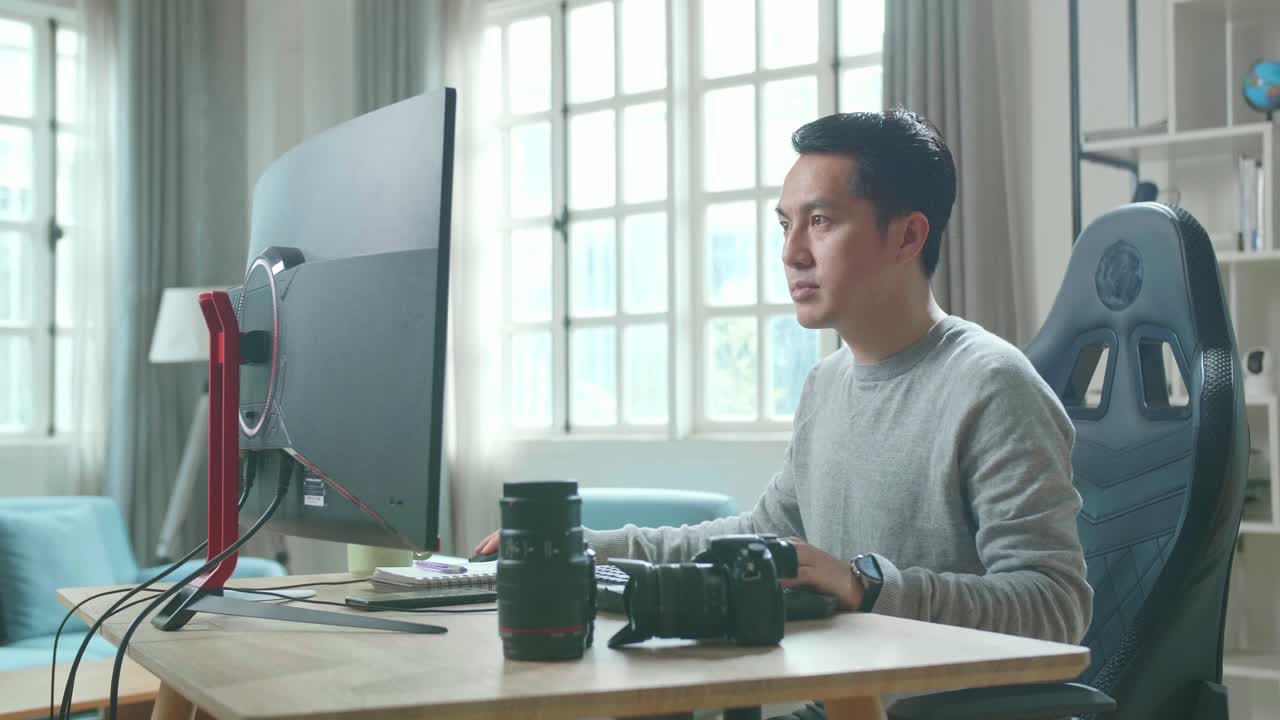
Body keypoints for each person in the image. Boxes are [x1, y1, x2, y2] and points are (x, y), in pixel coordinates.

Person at [474, 107, 1091, 659]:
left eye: (820, 221)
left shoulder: (992, 385)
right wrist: (586, 548)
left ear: (908, 236)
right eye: (784, 225)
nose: (791, 253)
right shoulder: (826, 384)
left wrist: (867, 585)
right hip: (834, 697)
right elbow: (757, 537)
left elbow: (1056, 606)